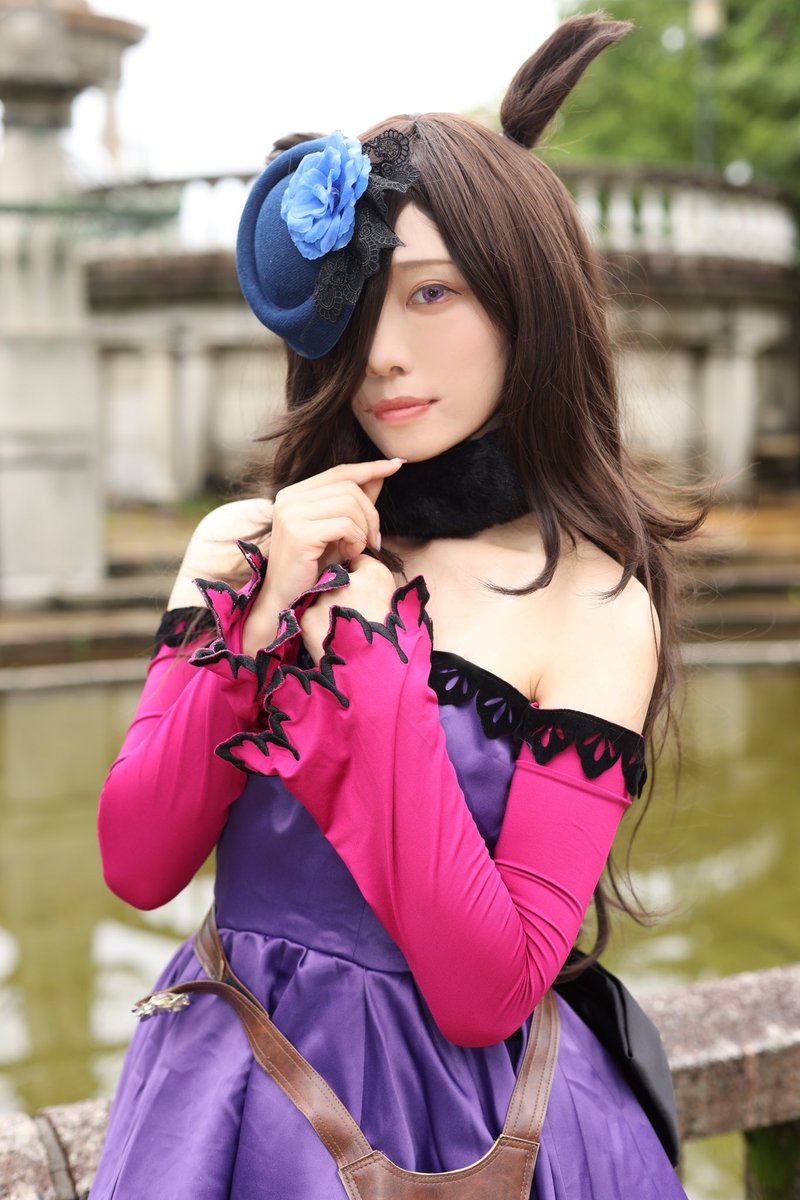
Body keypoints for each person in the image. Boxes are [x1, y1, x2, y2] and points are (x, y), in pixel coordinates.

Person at [91, 14, 700, 1199]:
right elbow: (138, 861)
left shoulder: (591, 604)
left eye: (432, 295)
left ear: (527, 304)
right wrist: (259, 618)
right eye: (362, 302)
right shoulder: (249, 546)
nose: (381, 354)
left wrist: (372, 669)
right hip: (228, 1099)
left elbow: (486, 990)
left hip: (457, 1130)